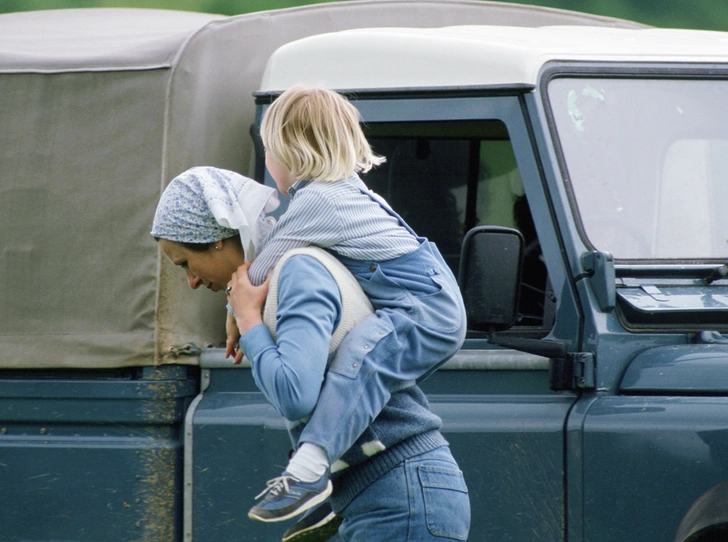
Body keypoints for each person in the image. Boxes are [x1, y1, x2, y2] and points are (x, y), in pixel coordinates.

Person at [150, 166, 471, 541]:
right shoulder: (287, 270)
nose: (190, 281)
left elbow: (295, 395)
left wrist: (250, 322)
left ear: (216, 239)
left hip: (401, 494)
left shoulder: (298, 269)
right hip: (379, 490)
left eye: (186, 263)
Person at [224, 85, 467, 523]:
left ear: (288, 151)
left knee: (361, 358)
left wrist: (236, 313)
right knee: (354, 380)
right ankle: (333, 488)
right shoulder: (343, 189)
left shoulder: (319, 200)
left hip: (425, 307)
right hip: (427, 296)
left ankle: (309, 472)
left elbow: (263, 270)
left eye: (268, 150)